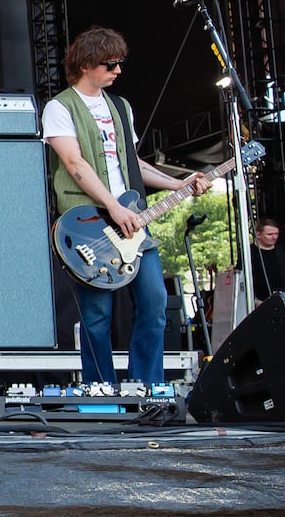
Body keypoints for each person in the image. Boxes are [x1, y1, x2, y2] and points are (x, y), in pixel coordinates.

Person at [42, 26, 206, 387]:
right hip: (89, 222)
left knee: (154, 304)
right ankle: (101, 388)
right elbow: (75, 164)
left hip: (133, 219)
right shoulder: (59, 107)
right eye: (110, 64)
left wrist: (180, 183)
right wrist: (113, 207)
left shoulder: (120, 106)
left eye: (119, 63)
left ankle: (145, 387)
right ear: (86, 65)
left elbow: (133, 163)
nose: (117, 71)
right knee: (97, 316)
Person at [249, 217, 284, 304]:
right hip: (261, 300)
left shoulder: (281, 250)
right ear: (258, 235)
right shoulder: (250, 252)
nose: (274, 237)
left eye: (276, 234)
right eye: (270, 234)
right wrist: (255, 301)